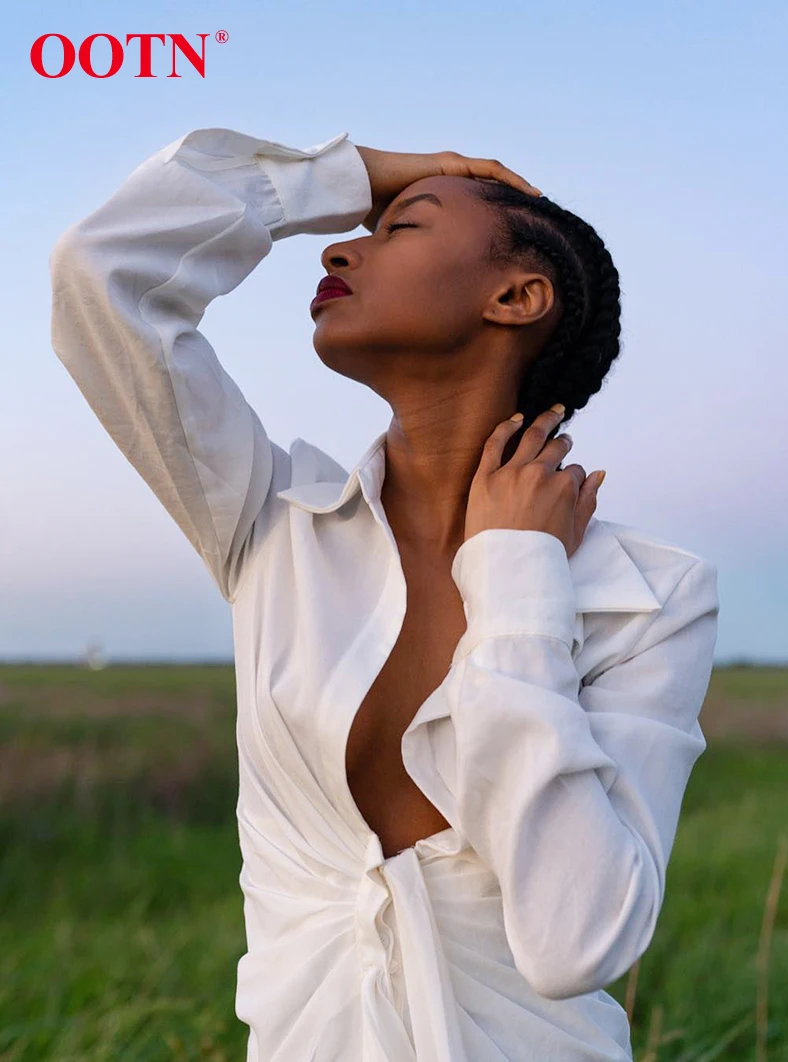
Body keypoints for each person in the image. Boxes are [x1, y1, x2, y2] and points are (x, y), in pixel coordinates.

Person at [49, 125, 720, 1062]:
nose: (341, 245)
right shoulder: (270, 525)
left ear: (519, 296)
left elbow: (579, 940)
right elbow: (100, 275)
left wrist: (518, 577)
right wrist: (350, 178)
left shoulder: (646, 598)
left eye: (401, 228)